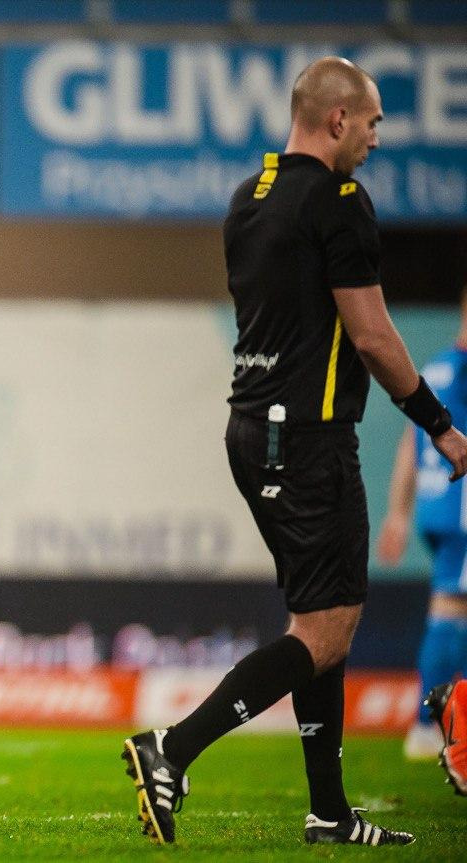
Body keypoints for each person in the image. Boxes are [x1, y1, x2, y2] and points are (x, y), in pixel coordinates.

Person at [121, 56, 467, 847]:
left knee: (319, 621)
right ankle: (172, 747)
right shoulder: (340, 202)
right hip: (307, 440)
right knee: (326, 632)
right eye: (372, 123)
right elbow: (373, 337)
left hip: (252, 430)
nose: (376, 139)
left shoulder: (250, 196)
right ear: (338, 119)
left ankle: (329, 811)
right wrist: (440, 425)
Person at [376, 288, 467, 759]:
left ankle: (434, 722)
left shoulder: (432, 371)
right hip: (462, 504)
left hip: (438, 505)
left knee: (452, 606)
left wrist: (398, 512)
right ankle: (427, 724)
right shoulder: (463, 369)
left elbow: (409, 445)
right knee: (452, 606)